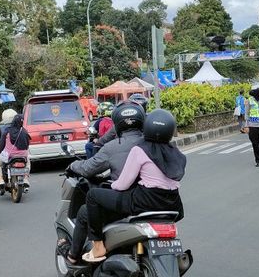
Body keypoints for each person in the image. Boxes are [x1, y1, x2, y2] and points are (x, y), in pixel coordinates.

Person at [82, 109, 186, 263]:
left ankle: (98, 246)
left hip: (145, 202)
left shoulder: (139, 149)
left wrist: (112, 185)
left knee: (93, 196)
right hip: (173, 204)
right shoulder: (177, 154)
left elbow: (123, 185)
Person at [57, 101, 146, 265]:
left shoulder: (112, 147)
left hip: (128, 202)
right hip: (156, 200)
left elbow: (87, 169)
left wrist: (72, 165)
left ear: (117, 123)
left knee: (85, 211)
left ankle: (73, 256)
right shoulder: (154, 143)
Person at [0, 114, 31, 189]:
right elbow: (27, 145)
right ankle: (26, 178)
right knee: (28, 163)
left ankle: (0, 179)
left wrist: (0, 152)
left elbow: (2, 145)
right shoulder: (24, 131)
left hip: (10, 155)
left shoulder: (7, 131)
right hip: (23, 155)